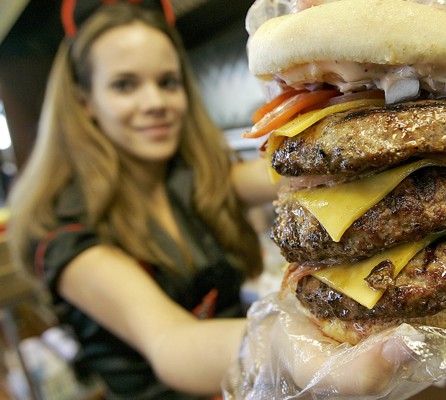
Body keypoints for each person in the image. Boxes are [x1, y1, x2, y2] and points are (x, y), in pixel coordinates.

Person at [6, 2, 409, 399]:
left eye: (167, 82)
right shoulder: (66, 231)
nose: (155, 103)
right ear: (84, 102)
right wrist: (278, 345)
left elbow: (299, 173)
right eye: (125, 85)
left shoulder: (195, 183)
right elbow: (170, 341)